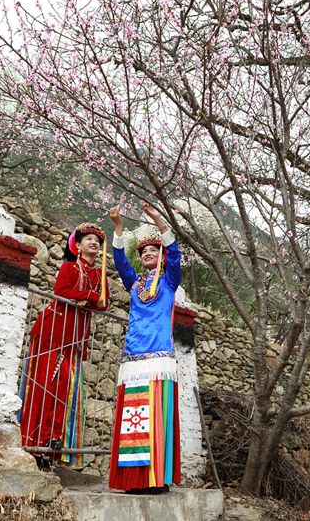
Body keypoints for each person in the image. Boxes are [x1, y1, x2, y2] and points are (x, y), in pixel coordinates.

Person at [18, 222, 109, 467]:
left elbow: (104, 303)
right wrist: (89, 297)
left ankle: (51, 445)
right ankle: (32, 443)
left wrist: (88, 299)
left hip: (73, 340)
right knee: (44, 386)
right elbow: (62, 290)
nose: (94, 242)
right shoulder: (69, 267)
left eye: (97, 240)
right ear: (77, 245)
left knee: (63, 391)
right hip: (53, 333)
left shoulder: (98, 275)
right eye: (88, 239)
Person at [108, 202, 181, 493]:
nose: (148, 253)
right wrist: (118, 227)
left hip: (159, 355)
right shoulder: (135, 284)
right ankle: (133, 480)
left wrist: (158, 220)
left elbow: (174, 253)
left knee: (156, 417)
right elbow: (119, 262)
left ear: (161, 257)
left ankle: (156, 478)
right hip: (134, 355)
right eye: (143, 251)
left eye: (153, 250)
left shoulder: (169, 281)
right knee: (133, 419)